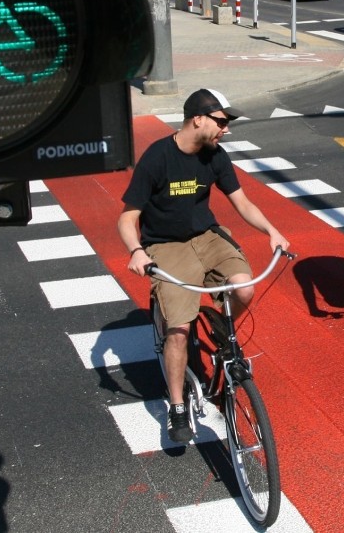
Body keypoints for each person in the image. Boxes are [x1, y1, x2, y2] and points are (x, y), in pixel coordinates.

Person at [117, 88, 290, 443]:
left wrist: (272, 231)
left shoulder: (216, 155)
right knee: (178, 330)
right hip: (165, 245)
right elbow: (127, 217)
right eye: (222, 121)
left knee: (245, 288)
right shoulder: (157, 158)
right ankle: (178, 405)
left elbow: (241, 202)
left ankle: (217, 331)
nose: (226, 129)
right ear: (198, 118)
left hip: (208, 237)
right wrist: (136, 251)